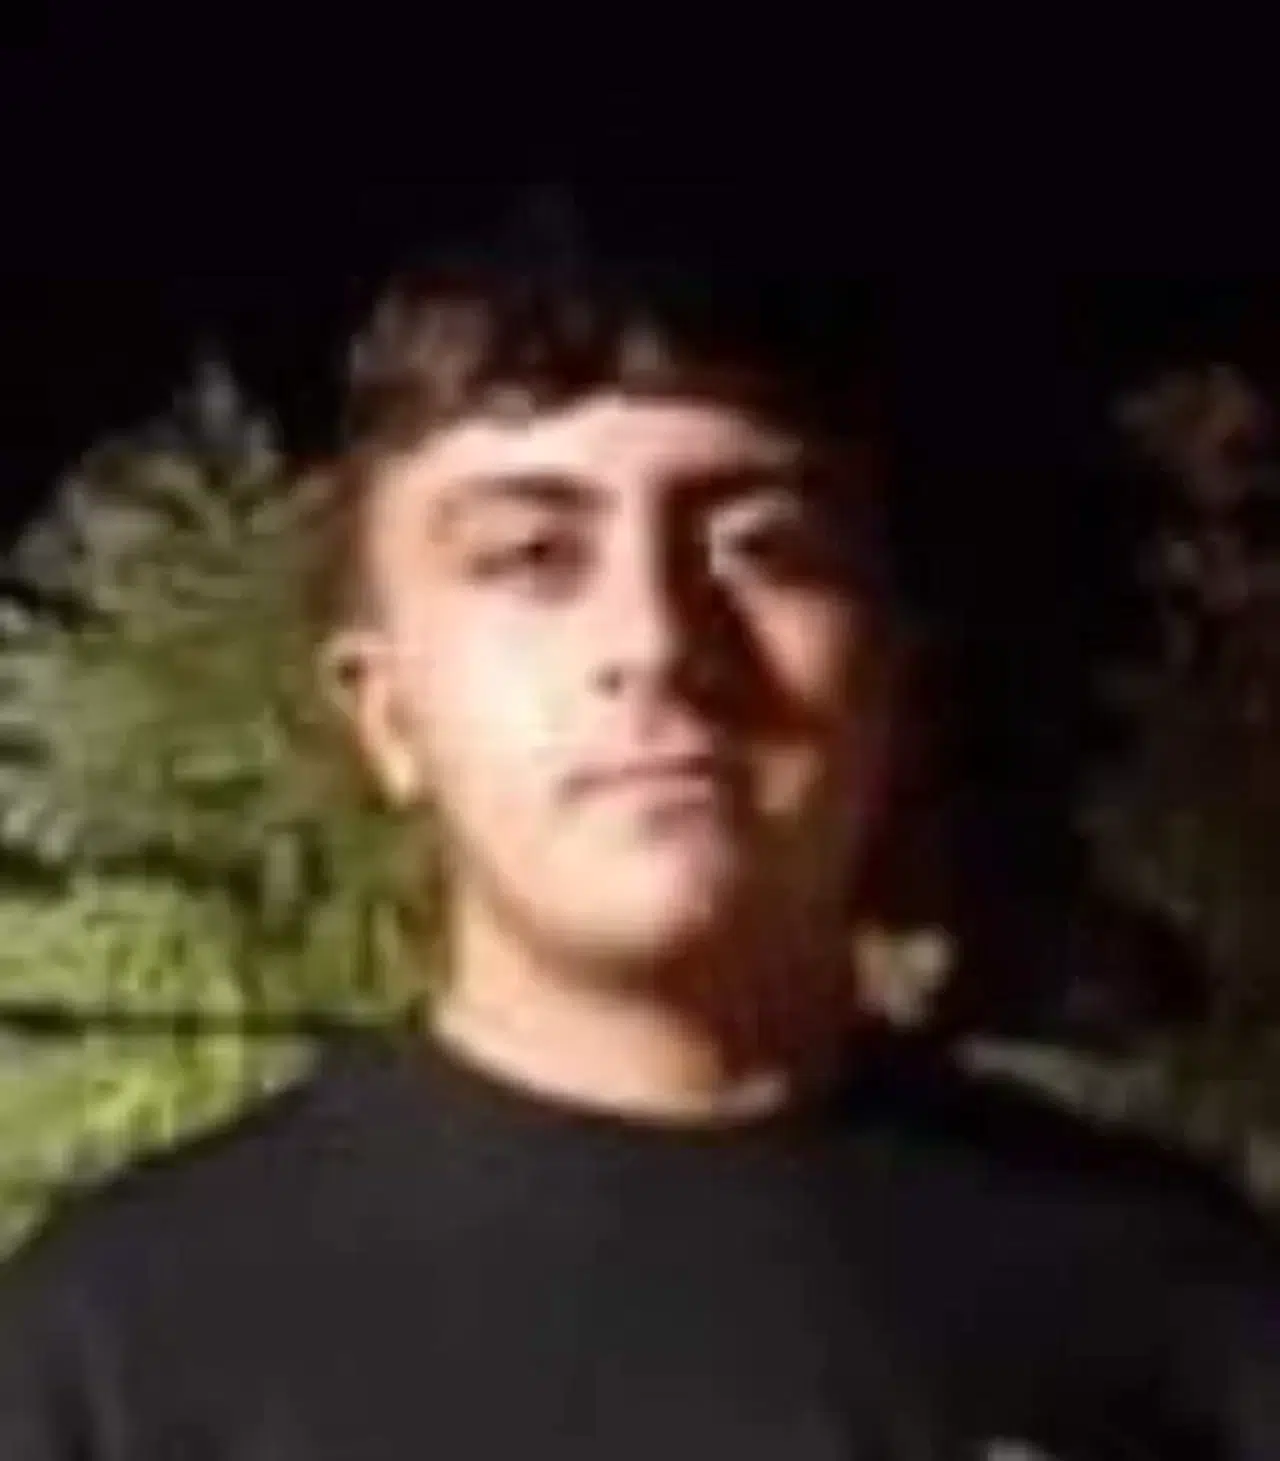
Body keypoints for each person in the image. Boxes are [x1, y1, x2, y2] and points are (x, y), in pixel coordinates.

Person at [1, 226, 1278, 1461]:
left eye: (761, 545)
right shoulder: (116, 1355)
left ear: (893, 679)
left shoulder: (1176, 1308)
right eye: (531, 555)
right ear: (386, 714)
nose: (654, 641)